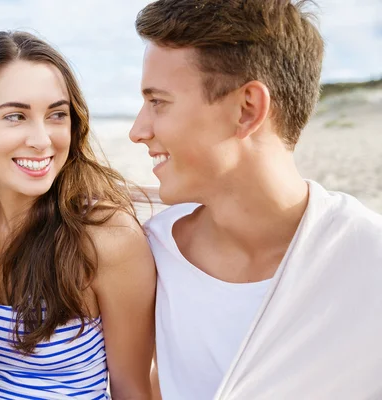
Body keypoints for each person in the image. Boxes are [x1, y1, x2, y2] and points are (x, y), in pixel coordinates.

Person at [129, 0, 382, 399]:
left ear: (247, 110)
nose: (138, 130)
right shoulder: (148, 253)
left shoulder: (368, 260)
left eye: (158, 102)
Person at [0, 31, 156, 400]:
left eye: (56, 115)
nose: (41, 139)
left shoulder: (108, 237)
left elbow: (132, 389)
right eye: (16, 116)